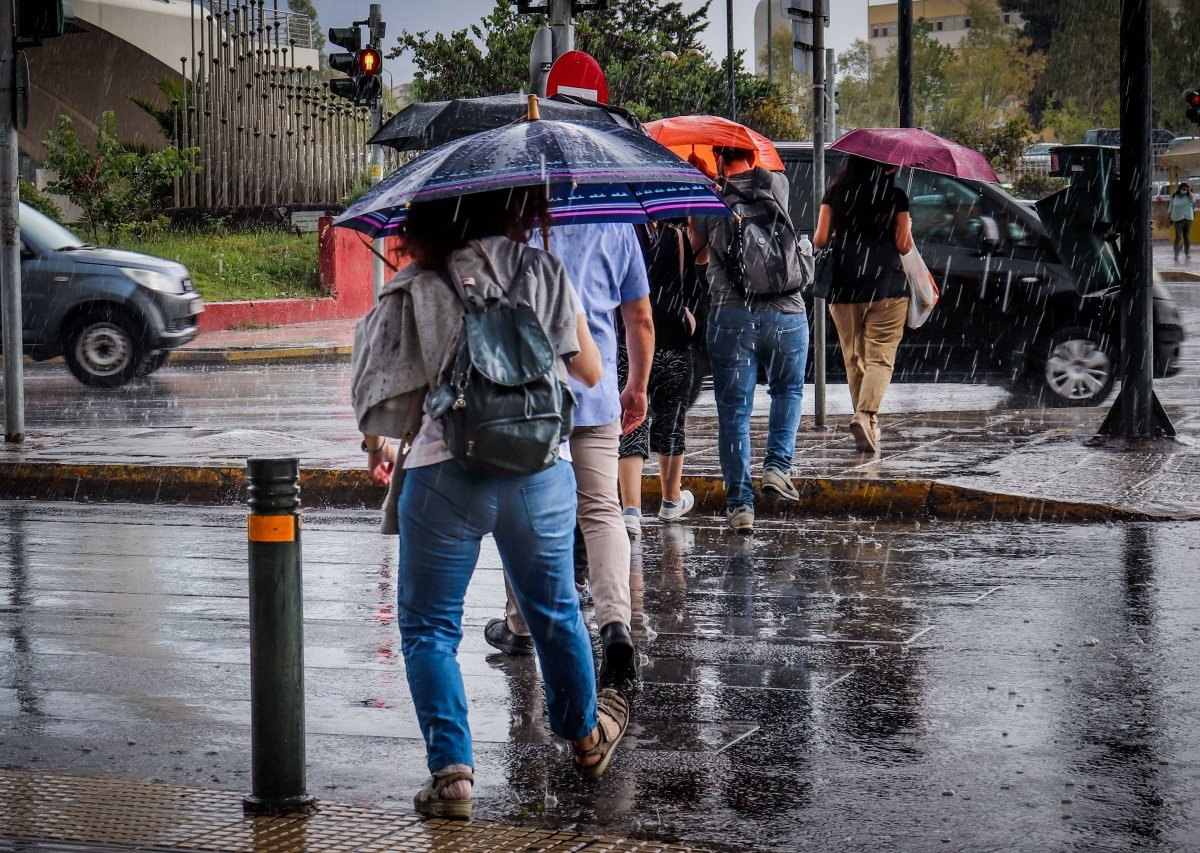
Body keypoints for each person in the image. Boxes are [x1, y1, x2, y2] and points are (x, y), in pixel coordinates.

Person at [351, 187, 630, 820]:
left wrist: (378, 445)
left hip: (442, 473)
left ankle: (452, 775)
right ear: (513, 207)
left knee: (429, 629)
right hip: (538, 472)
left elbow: (383, 400)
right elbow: (587, 373)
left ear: (424, 219)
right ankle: (585, 736)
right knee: (556, 609)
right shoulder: (541, 267)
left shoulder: (414, 285)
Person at [484, 222, 654, 694]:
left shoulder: (517, 225)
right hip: (596, 390)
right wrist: (637, 386)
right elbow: (638, 316)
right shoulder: (616, 224)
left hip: (531, 396)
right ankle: (615, 628)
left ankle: (520, 627)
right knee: (601, 510)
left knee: (526, 511)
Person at [691, 146, 809, 534]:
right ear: (752, 153)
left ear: (718, 156)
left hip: (731, 315)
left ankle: (740, 506)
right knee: (787, 390)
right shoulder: (779, 184)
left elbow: (697, 253)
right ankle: (777, 467)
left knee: (734, 412)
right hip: (786, 311)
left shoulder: (708, 196)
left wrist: (699, 184)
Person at [814, 155, 914, 455]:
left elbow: (820, 239)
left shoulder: (835, 192)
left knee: (854, 357)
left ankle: (868, 422)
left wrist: (841, 232)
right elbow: (904, 245)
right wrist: (907, 223)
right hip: (887, 285)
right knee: (880, 357)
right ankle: (865, 415)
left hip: (844, 285)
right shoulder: (895, 195)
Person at [617, 221, 701, 537]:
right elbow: (691, 288)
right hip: (672, 341)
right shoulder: (676, 238)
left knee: (631, 424)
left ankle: (631, 510)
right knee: (672, 422)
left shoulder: (621, 235)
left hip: (631, 342)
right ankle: (670, 500)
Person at [1170, 182, 1194, 263]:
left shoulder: (1189, 196)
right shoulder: (1175, 196)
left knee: (1186, 236)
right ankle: (1176, 254)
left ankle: (1187, 253)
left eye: (1186, 189)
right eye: (1183, 189)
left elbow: (1193, 200)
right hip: (1177, 218)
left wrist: (1190, 191)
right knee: (1178, 236)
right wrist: (1170, 217)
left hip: (1188, 218)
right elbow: (1171, 206)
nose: (1184, 190)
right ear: (1180, 188)